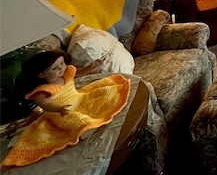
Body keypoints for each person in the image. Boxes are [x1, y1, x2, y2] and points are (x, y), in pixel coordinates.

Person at [1, 50, 131, 168]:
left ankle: (94, 121)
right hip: (60, 112)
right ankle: (87, 128)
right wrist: (59, 109)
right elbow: (46, 105)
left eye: (62, 63)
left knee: (105, 93)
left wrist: (93, 66)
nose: (61, 69)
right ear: (41, 74)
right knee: (76, 120)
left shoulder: (66, 74)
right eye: (54, 69)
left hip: (78, 99)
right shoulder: (42, 91)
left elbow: (79, 72)